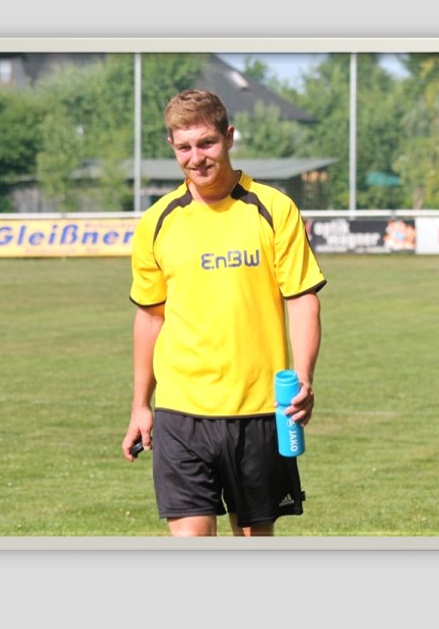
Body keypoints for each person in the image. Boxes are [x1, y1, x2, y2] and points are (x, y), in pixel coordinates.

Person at [121, 89, 326, 537]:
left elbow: (301, 299)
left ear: (228, 137)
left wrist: (304, 377)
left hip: (259, 410)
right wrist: (140, 406)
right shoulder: (157, 222)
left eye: (206, 143)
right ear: (172, 146)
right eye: (184, 147)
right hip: (181, 412)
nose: (196, 158)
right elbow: (150, 317)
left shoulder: (274, 209)